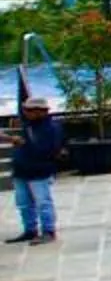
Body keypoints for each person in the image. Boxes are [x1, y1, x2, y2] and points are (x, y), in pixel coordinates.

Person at [11, 96, 65, 244]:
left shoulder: (52, 128)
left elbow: (48, 150)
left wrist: (24, 144)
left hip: (39, 170)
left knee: (43, 202)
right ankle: (30, 229)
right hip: (22, 169)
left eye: (29, 110)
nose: (25, 113)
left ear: (40, 112)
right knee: (23, 202)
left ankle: (48, 230)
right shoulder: (27, 125)